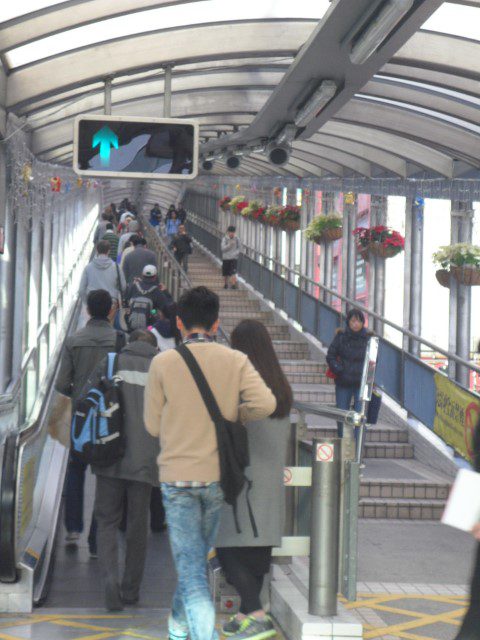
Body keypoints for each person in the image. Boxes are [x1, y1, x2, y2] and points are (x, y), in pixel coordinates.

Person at [144, 286, 277, 640]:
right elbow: (266, 403)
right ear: (216, 323)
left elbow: (152, 425)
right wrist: (235, 416)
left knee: (191, 573)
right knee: (194, 564)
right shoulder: (235, 360)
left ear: (178, 323)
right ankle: (177, 626)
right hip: (218, 478)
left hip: (177, 479)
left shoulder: (162, 363)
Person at [215, 319, 292, 640]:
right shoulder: (281, 386)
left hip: (242, 483)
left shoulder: (245, 386)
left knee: (225, 547)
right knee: (257, 555)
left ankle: (257, 614)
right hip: (271, 484)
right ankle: (247, 615)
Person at [88, 329, 160, 611]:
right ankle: (131, 589)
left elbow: (88, 399)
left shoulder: (110, 363)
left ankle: (109, 580)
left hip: (108, 453)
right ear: (153, 347)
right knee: (138, 525)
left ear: (130, 344)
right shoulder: (160, 367)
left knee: (106, 520)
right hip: (145, 460)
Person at [55, 290, 126, 556]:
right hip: (111, 420)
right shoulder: (120, 341)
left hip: (80, 420)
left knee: (76, 469)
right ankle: (96, 541)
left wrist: (79, 393)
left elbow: (62, 384)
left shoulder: (74, 340)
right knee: (105, 477)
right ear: (111, 310)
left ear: (86, 310)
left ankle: (73, 528)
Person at [326, 308, 371, 439]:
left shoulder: (368, 339)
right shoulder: (340, 337)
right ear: (348, 322)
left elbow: (373, 360)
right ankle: (342, 444)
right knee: (341, 415)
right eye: (352, 321)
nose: (355, 324)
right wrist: (339, 370)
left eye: (358, 321)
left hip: (361, 385)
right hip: (343, 383)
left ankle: (357, 449)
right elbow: (331, 356)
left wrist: (368, 378)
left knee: (360, 417)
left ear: (363, 322)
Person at [79, 241, 126, 317]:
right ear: (108, 251)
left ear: (97, 250)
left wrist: (88, 302)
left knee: (93, 326)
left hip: (93, 304)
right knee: (108, 326)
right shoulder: (116, 267)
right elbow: (123, 286)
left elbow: (81, 290)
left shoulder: (88, 267)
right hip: (110, 304)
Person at [125, 265, 172, 329]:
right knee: (154, 311)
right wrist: (166, 292)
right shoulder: (157, 291)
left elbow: (126, 301)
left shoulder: (134, 286)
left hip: (131, 325)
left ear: (142, 275)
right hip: (149, 328)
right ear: (155, 276)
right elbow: (168, 310)